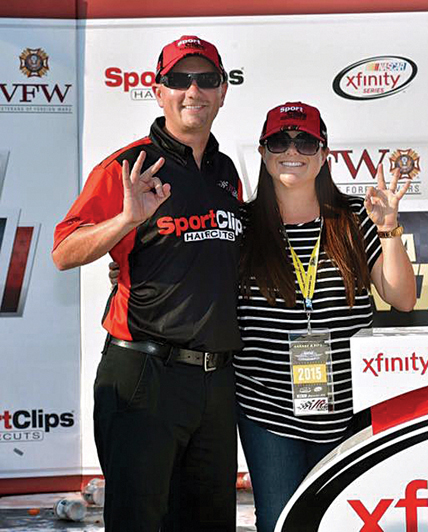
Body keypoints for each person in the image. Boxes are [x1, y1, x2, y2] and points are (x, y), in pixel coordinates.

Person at [52, 36, 241, 531]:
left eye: (205, 79)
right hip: (143, 376)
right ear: (158, 91)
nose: (192, 90)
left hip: (216, 382)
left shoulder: (226, 172)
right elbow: (62, 252)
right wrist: (124, 220)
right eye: (179, 79)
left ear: (224, 91)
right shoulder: (129, 166)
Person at [235, 102, 416, 531]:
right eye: (279, 140)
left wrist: (389, 228)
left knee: (342, 522)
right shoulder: (241, 225)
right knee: (280, 523)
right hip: (268, 409)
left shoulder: (354, 218)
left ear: (323, 153)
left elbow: (402, 297)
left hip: (348, 410)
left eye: (305, 141)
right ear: (263, 152)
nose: (291, 150)